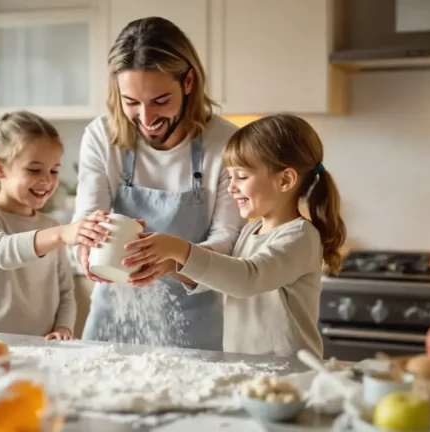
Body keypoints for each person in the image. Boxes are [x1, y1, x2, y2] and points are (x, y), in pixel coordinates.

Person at [71, 17, 245, 351]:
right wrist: (85, 243)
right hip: (112, 323)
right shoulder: (101, 136)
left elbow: (227, 244)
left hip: (194, 332)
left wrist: (176, 259)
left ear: (189, 81)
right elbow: (87, 216)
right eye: (131, 102)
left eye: (160, 100)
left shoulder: (225, 143)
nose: (147, 119)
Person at [122, 114, 347, 358]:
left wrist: (178, 248)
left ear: (285, 180)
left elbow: (247, 278)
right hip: (246, 367)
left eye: (242, 176)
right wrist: (171, 264)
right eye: (231, 177)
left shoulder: (301, 238)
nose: (231, 187)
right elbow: (223, 274)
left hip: (290, 374)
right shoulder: (251, 230)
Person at [0, 111, 108, 341]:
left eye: (54, 170)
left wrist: (63, 328)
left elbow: (66, 292)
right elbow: (2, 252)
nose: (47, 180)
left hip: (39, 351)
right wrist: (62, 233)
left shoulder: (50, 227)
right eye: (34, 169)